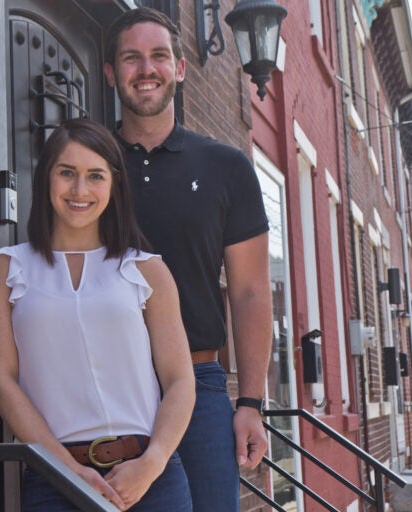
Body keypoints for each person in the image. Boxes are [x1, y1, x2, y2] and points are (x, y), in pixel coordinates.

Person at [103, 7, 274, 511]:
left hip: (200, 389)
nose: (146, 68)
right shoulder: (89, 168)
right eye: (131, 58)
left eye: (159, 55)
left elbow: (249, 292)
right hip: (108, 384)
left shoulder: (227, 167)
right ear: (111, 73)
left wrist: (250, 404)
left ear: (180, 67)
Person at [0, 118, 196, 512]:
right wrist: (65, 470)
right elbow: (2, 380)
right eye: (67, 173)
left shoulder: (147, 269)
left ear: (114, 184)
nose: (80, 190)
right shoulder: (7, 267)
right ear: (46, 177)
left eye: (95, 176)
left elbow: (180, 379)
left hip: (150, 479)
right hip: (54, 478)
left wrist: (152, 463)